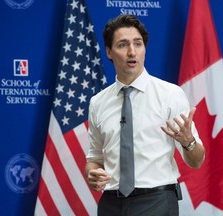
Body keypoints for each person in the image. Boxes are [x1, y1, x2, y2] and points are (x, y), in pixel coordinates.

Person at [85, 14, 205, 216]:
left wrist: (189, 142)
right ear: (109, 52)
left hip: (157, 201)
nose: (132, 52)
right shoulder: (98, 103)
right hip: (110, 204)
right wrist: (92, 174)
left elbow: (196, 161)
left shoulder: (170, 95)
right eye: (123, 45)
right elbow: (95, 158)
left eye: (138, 44)